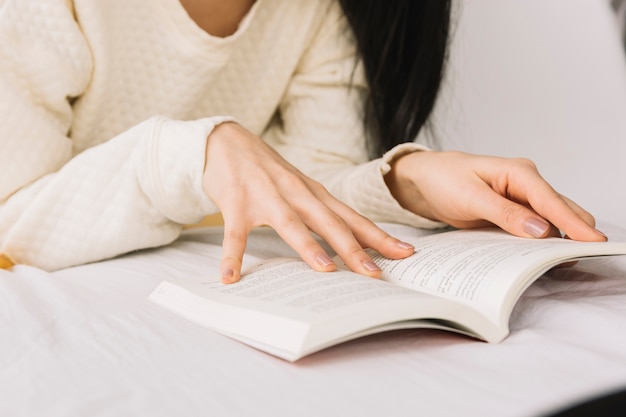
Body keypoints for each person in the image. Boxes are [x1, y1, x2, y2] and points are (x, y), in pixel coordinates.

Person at [0, 0, 606, 283]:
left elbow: (307, 184)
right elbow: (13, 220)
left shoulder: (321, 12)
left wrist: (406, 184)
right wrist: (196, 154)